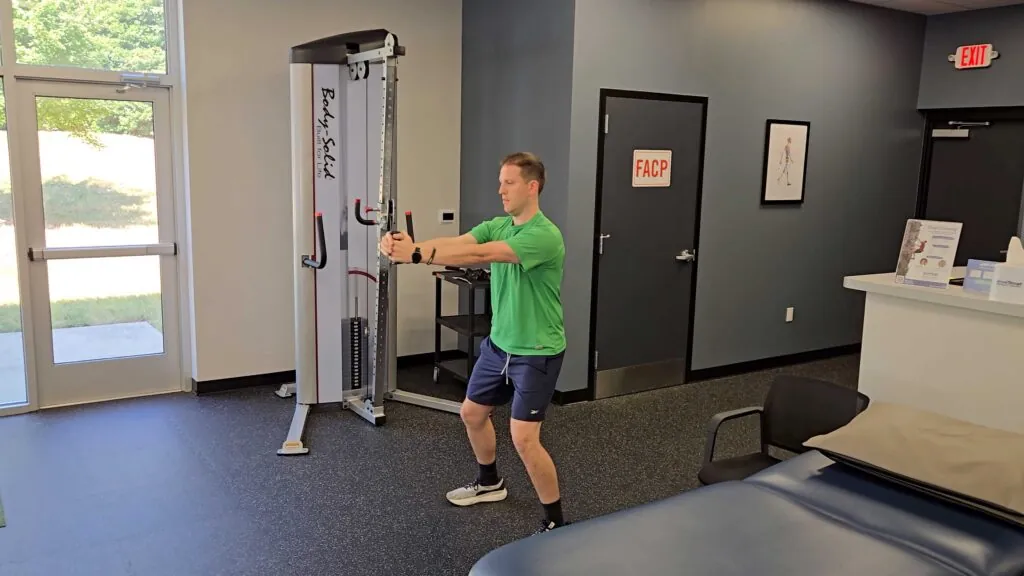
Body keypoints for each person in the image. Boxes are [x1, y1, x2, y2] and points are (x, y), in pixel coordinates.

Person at [379, 151, 567, 533]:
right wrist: (412, 246)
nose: (501, 189)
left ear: (532, 187)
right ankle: (489, 482)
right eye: (500, 182)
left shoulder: (544, 236)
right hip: (499, 344)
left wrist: (415, 254)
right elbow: (461, 243)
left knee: (524, 439)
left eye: (509, 182)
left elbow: (481, 255)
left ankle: (556, 523)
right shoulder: (499, 225)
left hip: (537, 350)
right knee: (472, 413)